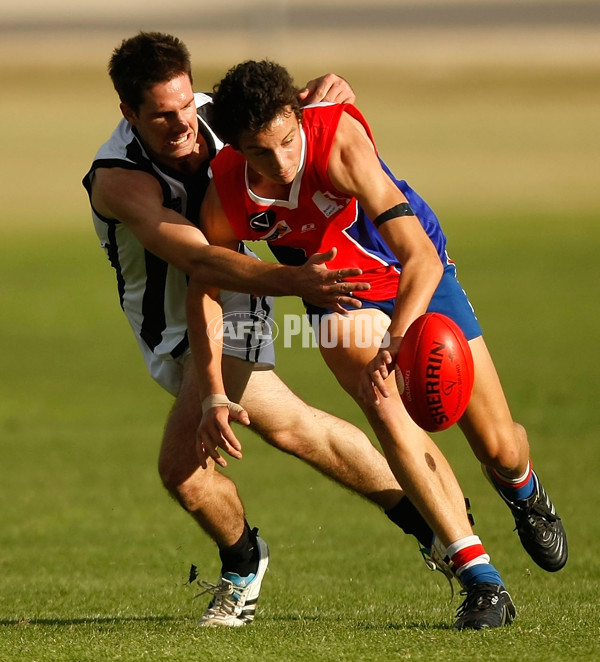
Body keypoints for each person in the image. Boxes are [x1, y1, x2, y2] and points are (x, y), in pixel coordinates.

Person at [82, 32, 458, 631]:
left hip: (234, 299)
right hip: (168, 324)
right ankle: (436, 518)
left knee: (182, 468)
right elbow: (199, 259)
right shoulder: (119, 179)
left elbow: (299, 119)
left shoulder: (222, 115)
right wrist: (297, 283)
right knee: (294, 429)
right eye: (162, 115)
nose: (184, 122)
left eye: (186, 104)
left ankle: (243, 566)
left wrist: (334, 95)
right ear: (127, 113)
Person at [192, 59, 566, 629]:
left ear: (300, 114)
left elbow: (416, 255)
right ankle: (481, 579)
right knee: (384, 403)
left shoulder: (338, 139)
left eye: (289, 141)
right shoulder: (226, 189)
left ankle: (523, 489)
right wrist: (214, 392)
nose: (283, 162)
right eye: (262, 152)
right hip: (340, 296)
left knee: (499, 447)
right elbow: (209, 281)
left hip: (418, 275)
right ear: (239, 146)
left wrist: (396, 340)